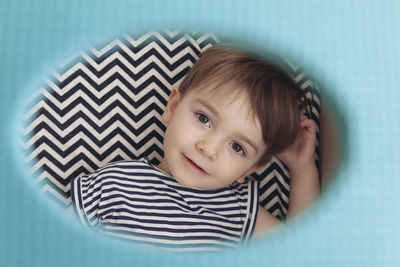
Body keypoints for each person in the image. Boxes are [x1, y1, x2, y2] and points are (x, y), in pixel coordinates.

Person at [70, 45, 320, 251]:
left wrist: (303, 170)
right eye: (204, 119)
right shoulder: (114, 185)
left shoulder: (240, 213)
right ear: (173, 106)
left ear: (252, 167)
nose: (208, 149)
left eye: (237, 147)